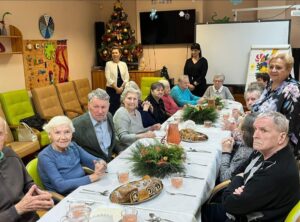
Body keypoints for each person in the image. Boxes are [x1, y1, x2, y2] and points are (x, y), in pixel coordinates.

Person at [222, 112, 300, 221]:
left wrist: (240, 179)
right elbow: (236, 172)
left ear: (281, 137)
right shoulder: (263, 151)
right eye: (255, 129)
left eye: (263, 130)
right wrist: (240, 180)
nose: (255, 135)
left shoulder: (276, 172)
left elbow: (230, 204)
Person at [0, 117, 53, 222]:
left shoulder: (10, 154)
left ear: (6, 135)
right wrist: (18, 209)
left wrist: (39, 195)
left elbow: (28, 183)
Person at [38, 116, 107, 195]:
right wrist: (93, 177)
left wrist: (101, 163)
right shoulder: (45, 156)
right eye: (57, 133)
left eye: (67, 132)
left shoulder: (73, 146)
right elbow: (61, 186)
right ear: (50, 135)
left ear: (72, 133)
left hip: (84, 188)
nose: (63, 137)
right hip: (66, 197)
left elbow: (93, 161)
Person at [252, 53, 300, 157]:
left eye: (278, 67)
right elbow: (260, 105)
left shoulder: (292, 89)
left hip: (279, 146)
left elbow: (289, 126)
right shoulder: (270, 84)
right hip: (264, 137)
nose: (273, 70)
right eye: (271, 66)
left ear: (288, 69)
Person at [72, 88, 119, 162]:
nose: (100, 111)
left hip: (110, 162)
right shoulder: (76, 124)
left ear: (109, 106)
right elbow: (72, 152)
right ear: (89, 106)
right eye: (96, 107)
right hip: (92, 166)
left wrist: (120, 151)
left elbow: (113, 139)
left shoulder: (109, 116)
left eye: (103, 107)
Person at [219, 113, 257, 182]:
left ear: (244, 132)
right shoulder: (250, 144)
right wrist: (235, 144)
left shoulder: (244, 154)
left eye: (239, 125)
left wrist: (226, 152)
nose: (237, 127)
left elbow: (224, 178)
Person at [105, 46, 130, 115]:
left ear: (120, 54)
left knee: (122, 106)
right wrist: (116, 88)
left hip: (122, 89)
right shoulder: (108, 64)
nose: (114, 54)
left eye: (116, 53)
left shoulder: (123, 64)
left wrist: (121, 88)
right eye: (113, 53)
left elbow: (127, 77)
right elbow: (108, 78)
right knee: (112, 108)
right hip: (111, 89)